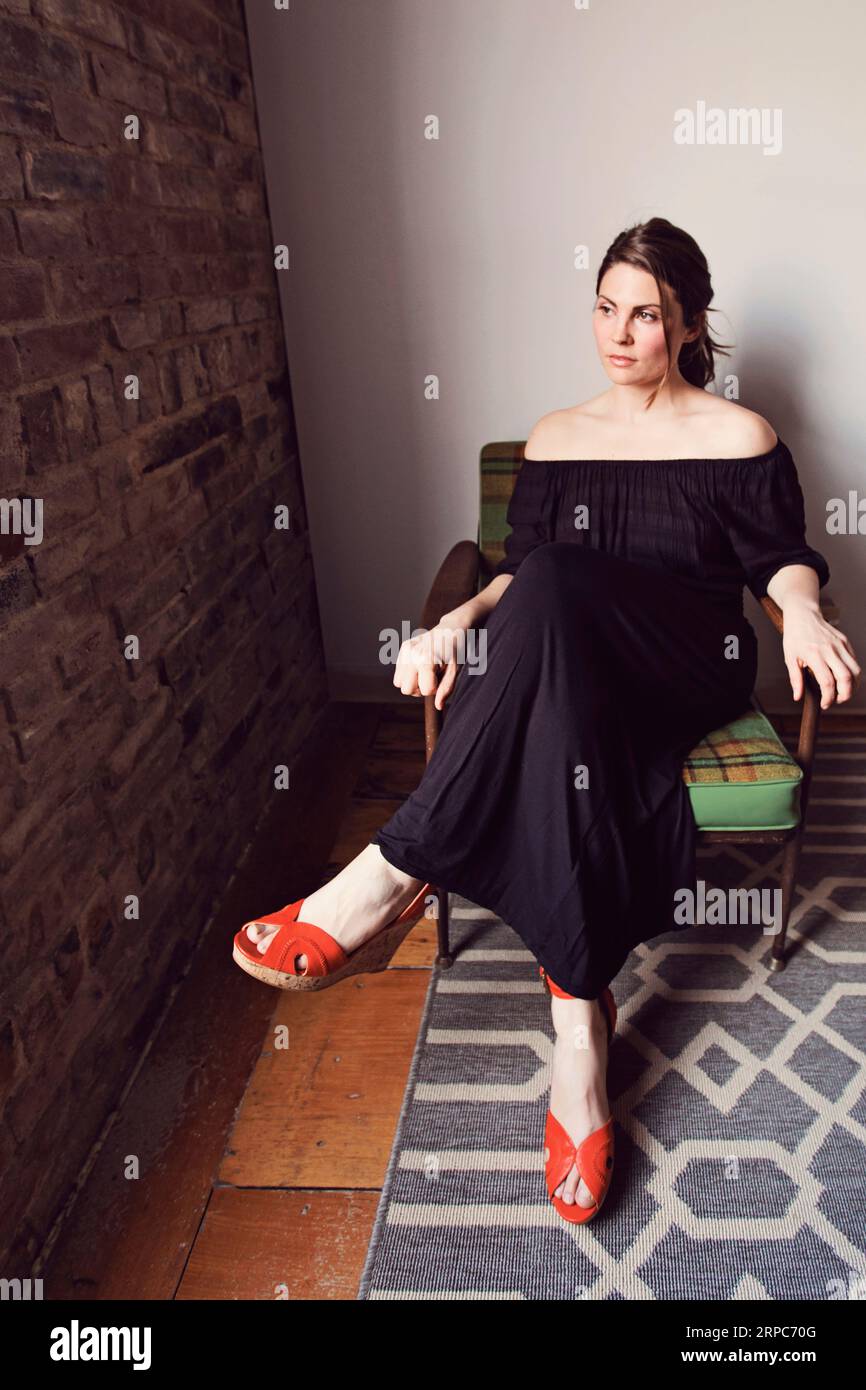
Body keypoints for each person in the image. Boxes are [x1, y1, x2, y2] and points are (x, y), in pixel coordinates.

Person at [234, 217, 860, 1218]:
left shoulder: (735, 434)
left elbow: (774, 556)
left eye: (644, 315)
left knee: (556, 597)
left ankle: (396, 865)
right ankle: (580, 1037)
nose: (617, 334)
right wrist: (448, 624)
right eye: (604, 308)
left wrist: (799, 609)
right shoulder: (556, 437)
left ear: (689, 326)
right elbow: (518, 580)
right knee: (552, 666)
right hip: (574, 666)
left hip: (689, 657)